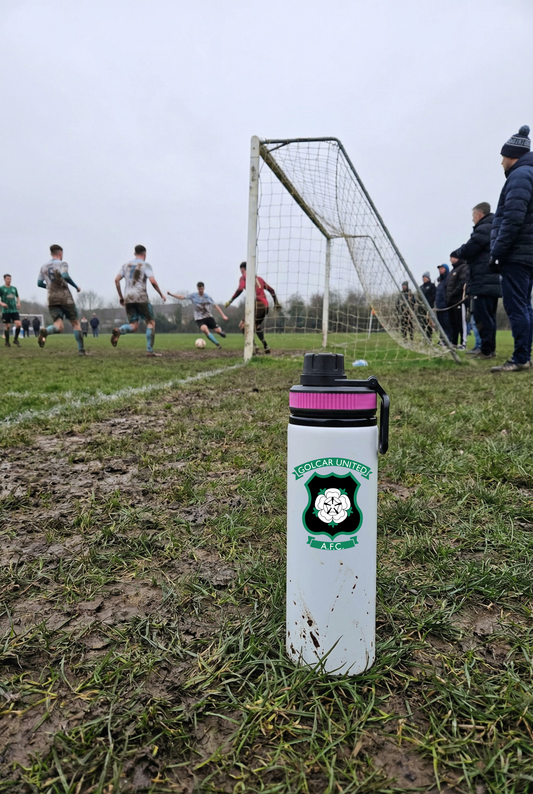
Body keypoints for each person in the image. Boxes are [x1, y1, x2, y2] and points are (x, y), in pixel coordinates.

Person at [489, 125, 533, 373]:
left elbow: (513, 219)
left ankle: (520, 358)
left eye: (503, 157)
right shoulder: (528, 174)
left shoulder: (520, 176)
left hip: (517, 254)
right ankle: (524, 356)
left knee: (517, 307)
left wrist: (497, 252)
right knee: (525, 306)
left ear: (512, 155)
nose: (502, 162)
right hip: (526, 254)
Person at [450, 202, 500, 359]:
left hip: (483, 281)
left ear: (479, 214)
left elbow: (470, 248)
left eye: (473, 216)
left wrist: (457, 252)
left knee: (482, 317)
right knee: (489, 317)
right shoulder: (493, 226)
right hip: (490, 281)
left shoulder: (484, 229)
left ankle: (486, 350)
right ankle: (489, 348)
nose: (472, 220)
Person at [111, 245, 166, 357]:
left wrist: (121, 296)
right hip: (141, 297)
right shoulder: (146, 265)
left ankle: (120, 330)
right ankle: (149, 351)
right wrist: (161, 294)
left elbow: (116, 280)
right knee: (150, 322)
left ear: (134, 253)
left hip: (128, 298)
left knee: (134, 325)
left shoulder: (125, 265)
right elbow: (153, 281)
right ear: (144, 254)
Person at [37, 245, 86, 355]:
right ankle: (81, 350)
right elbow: (65, 275)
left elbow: (39, 283)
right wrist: (76, 286)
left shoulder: (43, 267)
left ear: (51, 253)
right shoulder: (62, 264)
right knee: (75, 324)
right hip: (65, 298)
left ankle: (46, 331)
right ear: (60, 254)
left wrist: (49, 287)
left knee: (58, 326)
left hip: (51, 299)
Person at [225, 262, 281, 354]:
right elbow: (272, 290)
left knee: (242, 325)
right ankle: (266, 346)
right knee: (256, 326)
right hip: (265, 306)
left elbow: (240, 288)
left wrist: (231, 300)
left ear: (243, 269)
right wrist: (276, 303)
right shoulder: (259, 279)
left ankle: (253, 346)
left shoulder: (244, 277)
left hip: (257, 305)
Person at [167, 282, 228, 347]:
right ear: (197, 289)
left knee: (217, 330)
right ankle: (217, 344)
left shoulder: (207, 297)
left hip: (208, 316)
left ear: (204, 288)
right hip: (199, 318)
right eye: (199, 289)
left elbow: (215, 306)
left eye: (202, 289)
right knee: (205, 329)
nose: (200, 290)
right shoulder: (193, 295)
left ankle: (220, 332)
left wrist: (223, 315)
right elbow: (182, 297)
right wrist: (171, 294)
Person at [446, 257, 468, 348]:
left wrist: (454, 293)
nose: (450, 259)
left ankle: (463, 342)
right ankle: (454, 342)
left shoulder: (463, 268)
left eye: (452, 257)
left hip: (459, 300)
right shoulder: (452, 271)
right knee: (453, 323)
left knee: (461, 322)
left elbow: (462, 283)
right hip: (451, 301)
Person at [0, 274, 22, 347]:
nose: (9, 280)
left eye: (10, 279)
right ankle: (7, 342)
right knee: (8, 326)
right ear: (4, 279)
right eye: (7, 279)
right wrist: (2, 303)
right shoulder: (1, 288)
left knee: (19, 324)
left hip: (14, 310)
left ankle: (15, 339)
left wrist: (18, 303)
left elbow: (17, 296)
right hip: (6, 311)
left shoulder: (14, 288)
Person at [435, 264, 452, 343]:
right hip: (439, 306)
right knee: (441, 324)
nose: (440, 270)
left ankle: (448, 339)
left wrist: (446, 302)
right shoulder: (440, 281)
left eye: (442, 268)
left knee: (447, 323)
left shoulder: (448, 279)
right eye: (439, 268)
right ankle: (441, 339)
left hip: (445, 306)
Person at [418, 271, 436, 339]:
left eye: (425, 277)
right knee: (423, 322)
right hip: (421, 308)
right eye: (423, 277)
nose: (424, 279)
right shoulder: (421, 287)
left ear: (428, 278)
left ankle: (429, 337)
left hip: (429, 307)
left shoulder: (432, 286)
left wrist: (428, 303)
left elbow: (434, 296)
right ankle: (424, 336)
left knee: (429, 322)